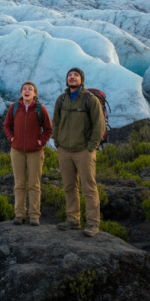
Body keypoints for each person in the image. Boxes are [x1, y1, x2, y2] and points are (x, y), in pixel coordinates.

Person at [52, 67, 105, 237]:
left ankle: (92, 223)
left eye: (75, 75)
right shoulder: (61, 99)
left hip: (84, 151)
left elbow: (99, 124)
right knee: (69, 186)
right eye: (69, 75)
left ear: (82, 79)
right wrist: (57, 142)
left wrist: (91, 147)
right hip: (64, 150)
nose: (72, 77)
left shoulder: (90, 99)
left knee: (89, 188)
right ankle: (73, 219)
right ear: (66, 80)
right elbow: (56, 122)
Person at [3, 81, 52, 226]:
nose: (27, 91)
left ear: (34, 93)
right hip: (17, 151)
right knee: (19, 184)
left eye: (30, 89)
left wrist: (41, 142)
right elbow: (6, 125)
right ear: (21, 93)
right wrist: (11, 138)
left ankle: (34, 216)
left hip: (35, 153)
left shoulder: (40, 109)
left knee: (34, 185)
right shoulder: (14, 107)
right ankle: (19, 214)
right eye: (24, 89)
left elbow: (48, 128)